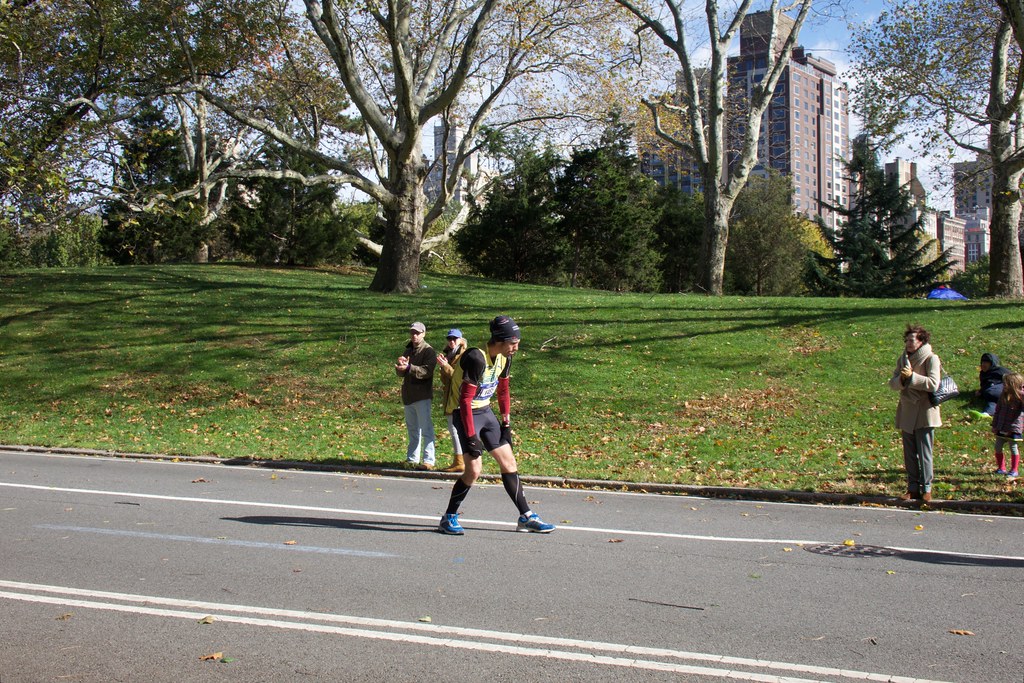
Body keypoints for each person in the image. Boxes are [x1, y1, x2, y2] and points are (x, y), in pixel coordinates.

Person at [437, 315, 555, 535]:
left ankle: (526, 516)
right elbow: (464, 401)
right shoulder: (476, 358)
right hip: (465, 414)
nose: (516, 348)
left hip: (485, 411)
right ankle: (448, 517)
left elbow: (503, 390)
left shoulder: (504, 357)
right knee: (474, 470)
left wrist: (506, 421)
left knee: (509, 462)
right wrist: (471, 436)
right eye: (513, 343)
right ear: (499, 340)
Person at [888, 324, 942, 503]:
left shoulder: (931, 358)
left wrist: (912, 377)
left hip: (925, 411)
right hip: (907, 410)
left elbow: (934, 384)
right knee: (909, 453)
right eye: (907, 340)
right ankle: (912, 488)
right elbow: (893, 383)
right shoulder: (902, 358)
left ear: (921, 341)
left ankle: (926, 488)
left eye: (912, 340)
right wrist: (902, 380)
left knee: (925, 452)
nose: (909, 343)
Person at [395, 321, 437, 470]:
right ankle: (412, 459)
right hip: (409, 395)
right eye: (412, 332)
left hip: (422, 396)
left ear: (424, 334)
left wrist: (409, 367)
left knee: (426, 429)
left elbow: (427, 372)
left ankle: (429, 461)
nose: (414, 335)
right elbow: (402, 373)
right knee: (413, 430)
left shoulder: (429, 351)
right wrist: (400, 367)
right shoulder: (408, 350)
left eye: (417, 333)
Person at [436, 329, 468, 473]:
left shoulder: (464, 355)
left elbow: (458, 378)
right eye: (449, 338)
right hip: (450, 396)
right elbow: (445, 380)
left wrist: (445, 366)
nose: (451, 341)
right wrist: (443, 366)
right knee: (453, 429)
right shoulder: (449, 354)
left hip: (459, 398)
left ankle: (461, 461)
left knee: (457, 430)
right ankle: (459, 460)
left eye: (455, 339)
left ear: (461, 340)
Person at [991, 372, 1024, 479]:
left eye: (1006, 384)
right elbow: (997, 410)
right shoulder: (1003, 396)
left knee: (1013, 447)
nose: (1003, 386)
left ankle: (1014, 470)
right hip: (1001, 426)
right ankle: (1001, 468)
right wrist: (995, 425)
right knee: (998, 447)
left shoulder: (1020, 397)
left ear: (1013, 385)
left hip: (1013, 428)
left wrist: (1020, 392)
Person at [975, 352, 1011, 417]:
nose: (983, 364)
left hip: (1003, 389)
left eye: (986, 363)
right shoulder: (983, 374)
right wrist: (980, 391)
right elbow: (985, 385)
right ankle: (986, 414)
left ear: (992, 364)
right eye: (982, 362)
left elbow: (1014, 379)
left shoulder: (1000, 370)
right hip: (991, 394)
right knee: (992, 401)